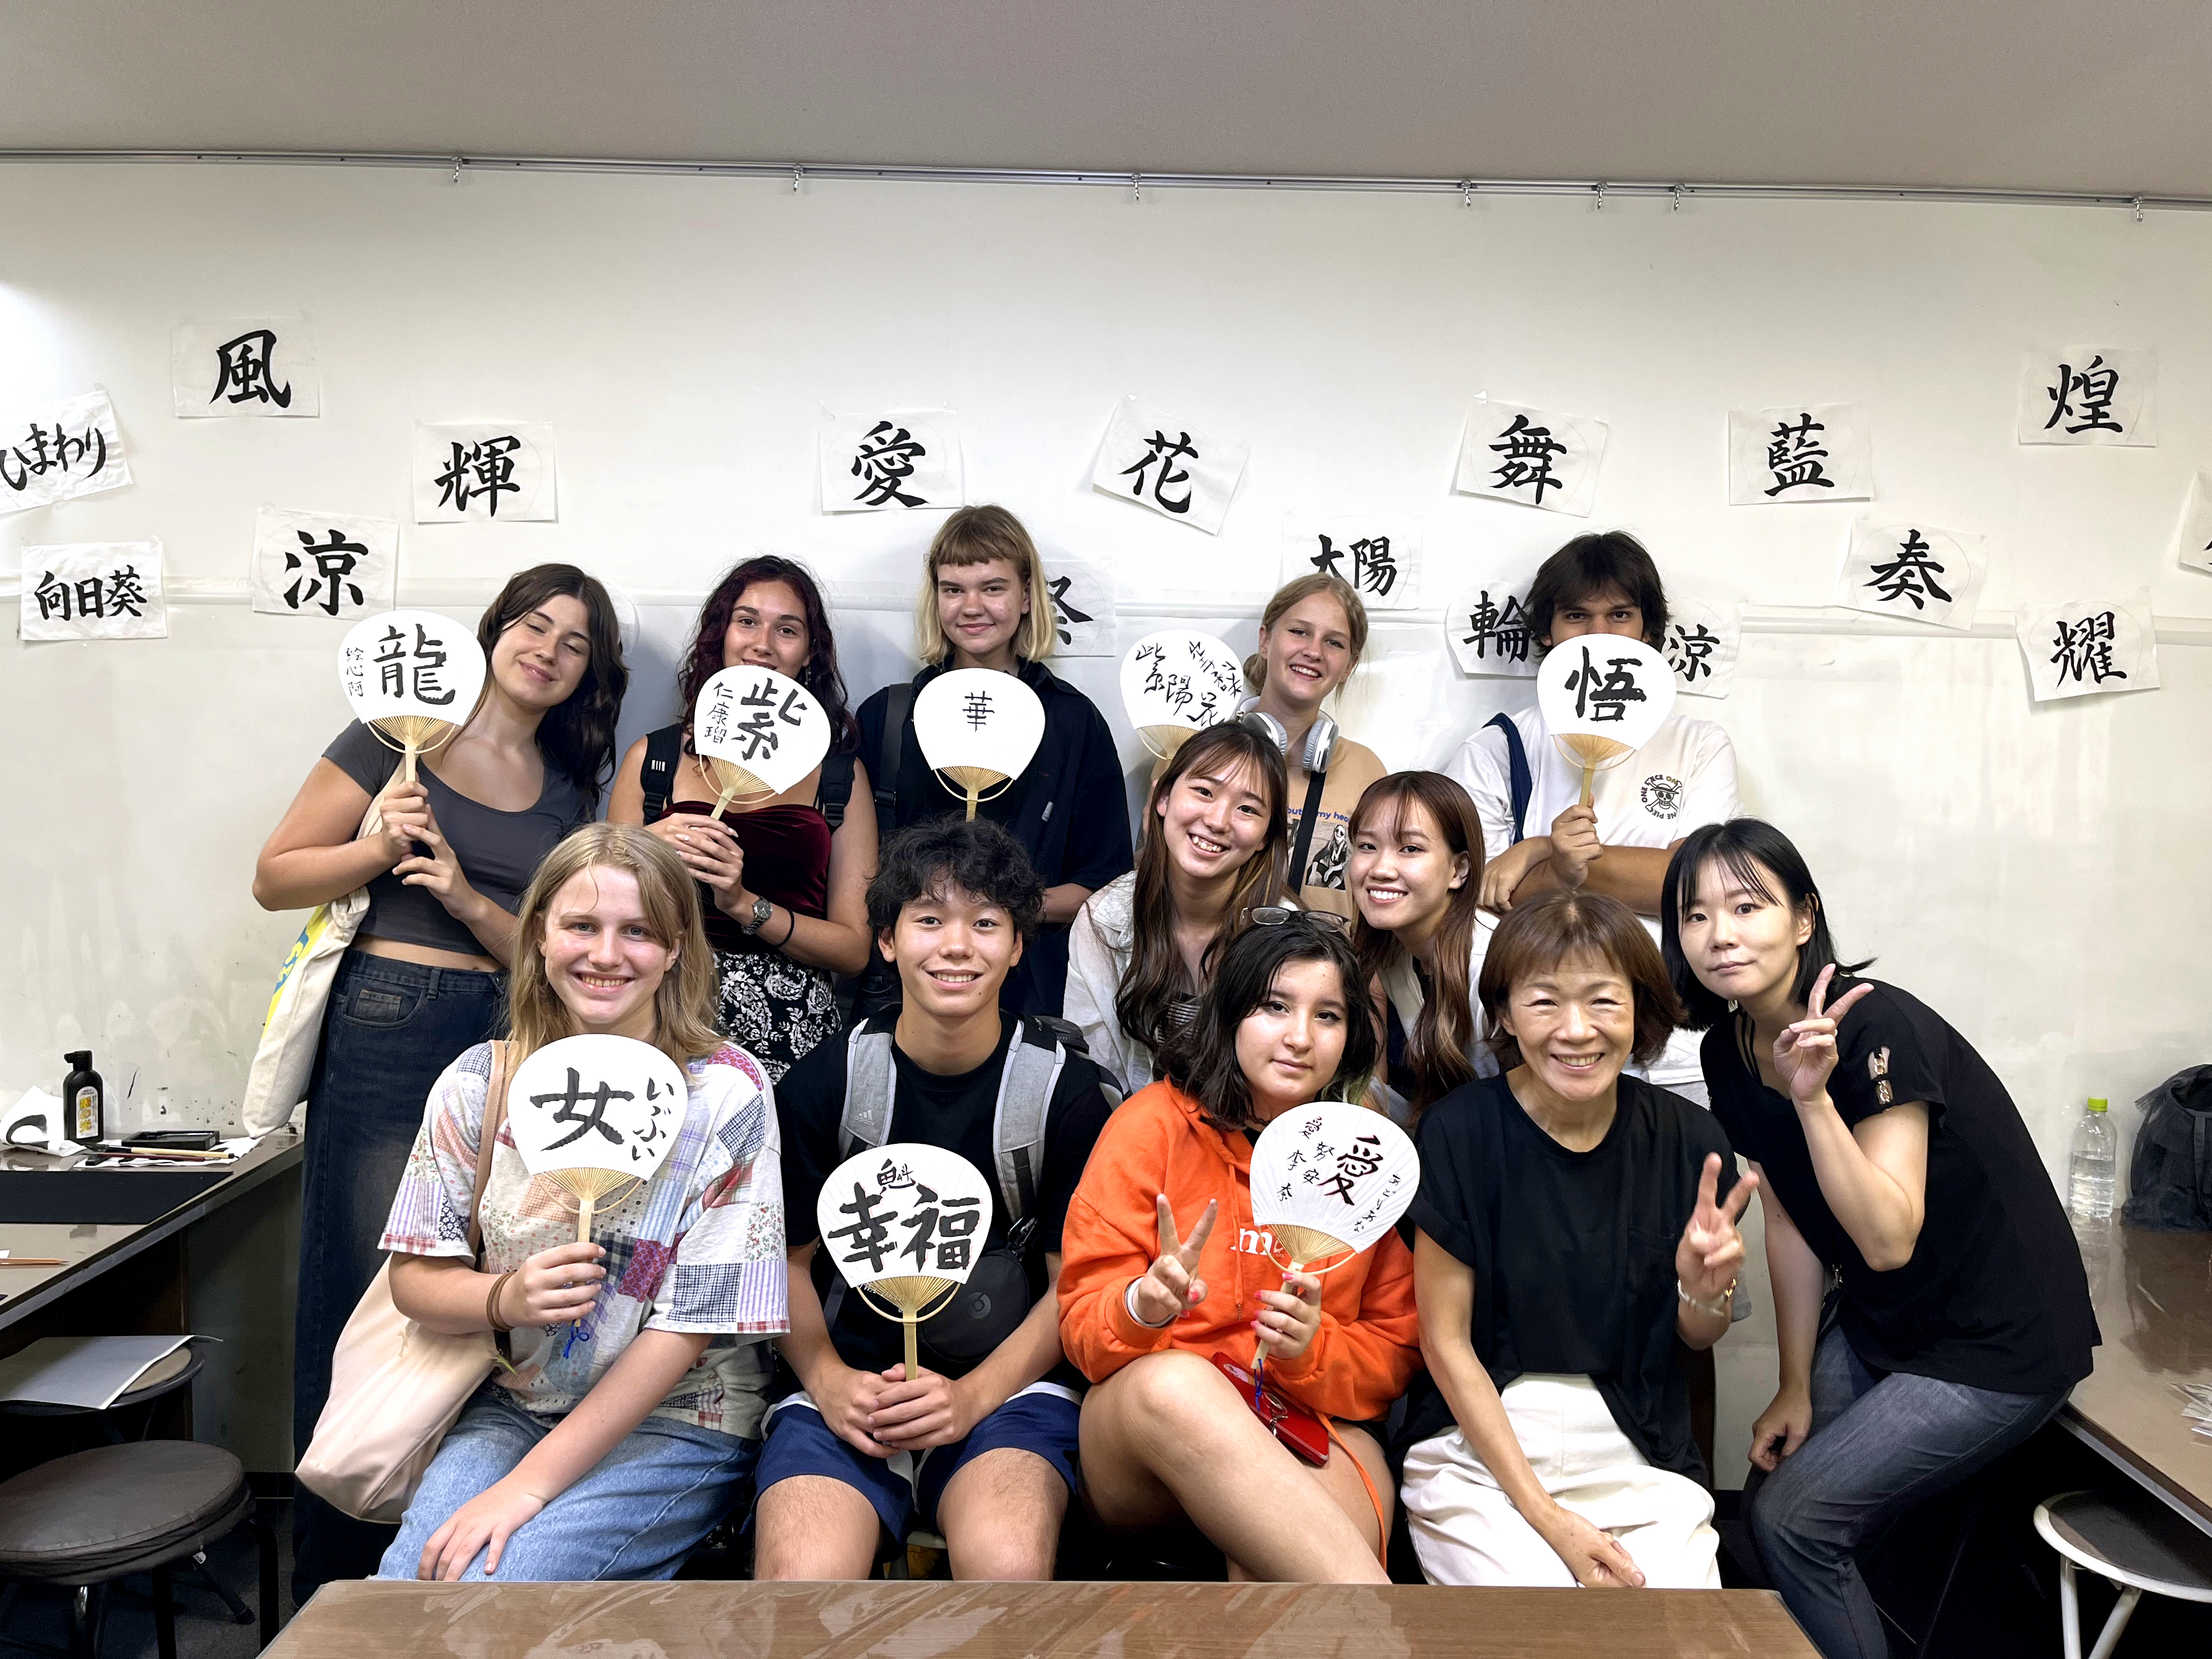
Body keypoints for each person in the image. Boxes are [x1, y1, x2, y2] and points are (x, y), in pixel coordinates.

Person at [252, 564, 627, 1595]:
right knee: (366, 1293)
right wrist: (381, 843)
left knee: (476, 1306)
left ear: (589, 672)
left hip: (509, 1035)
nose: (546, 650)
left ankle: (426, 1557)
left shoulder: (567, 784)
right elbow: (274, 872)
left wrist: (465, 894)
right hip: (388, 1020)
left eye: (574, 642)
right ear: (495, 630)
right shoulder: (394, 731)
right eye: (532, 625)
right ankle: (327, 1581)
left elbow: (549, 954)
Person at [1662, 819, 2098, 1659]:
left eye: (1747, 906)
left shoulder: (1872, 1026)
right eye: (1696, 915)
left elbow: (1888, 1236)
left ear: (1802, 918)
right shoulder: (1726, 1048)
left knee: (1794, 1525)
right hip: (1886, 1323)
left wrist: (1813, 1097)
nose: (1720, 935)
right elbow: (1790, 1216)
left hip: (1997, 1342)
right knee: (1767, 1493)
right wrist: (1793, 1384)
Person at [373, 825, 786, 1582]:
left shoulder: (727, 1093)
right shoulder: (479, 1083)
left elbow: (687, 1331)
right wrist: (507, 1297)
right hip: (513, 1404)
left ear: (677, 951)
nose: (605, 955)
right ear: (537, 938)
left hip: (680, 1416)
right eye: (580, 927)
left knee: (510, 1580)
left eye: (638, 932)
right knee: (413, 1585)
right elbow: (415, 1285)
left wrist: (528, 1490)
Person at [756, 819, 1115, 1580]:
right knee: (801, 1586)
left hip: (1010, 1389)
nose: (957, 947)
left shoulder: (1067, 1095)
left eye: (986, 923)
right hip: (847, 1389)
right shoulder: (829, 1084)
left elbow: (1073, 1285)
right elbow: (784, 1263)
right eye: (929, 920)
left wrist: (973, 1398)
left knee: (1006, 1565)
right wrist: (827, 1380)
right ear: (886, 940)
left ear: (1019, 945)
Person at [1400, 889, 1752, 1590]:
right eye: (1544, 1002)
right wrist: (1545, 1518)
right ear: (1502, 1012)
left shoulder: (1689, 1142)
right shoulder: (1458, 1133)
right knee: (1536, 1628)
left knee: (1670, 1636)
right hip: (1483, 1450)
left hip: (1636, 1452)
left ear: (1640, 1011)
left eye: (1603, 1001)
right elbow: (1445, 1341)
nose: (1577, 1030)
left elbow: (1698, 1337)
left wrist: (1705, 1293)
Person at [1059, 915, 1418, 1584]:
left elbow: (1394, 1353)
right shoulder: (1151, 1126)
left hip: (1302, 1422)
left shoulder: (1362, 1154)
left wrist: (1311, 1349)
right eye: (1274, 1007)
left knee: (1289, 1553)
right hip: (1147, 1447)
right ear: (1227, 1014)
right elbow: (1081, 1331)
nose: (1300, 1037)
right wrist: (1144, 1307)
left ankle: (1376, 1623)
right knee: (1178, 1384)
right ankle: (1396, 1629)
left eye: (1330, 1016)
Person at [1443, 531, 1736, 1105]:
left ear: (1649, 631)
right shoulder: (1498, 748)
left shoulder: (1698, 744)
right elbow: (1478, 892)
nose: (1599, 636)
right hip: (1538, 1049)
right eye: (1577, 615)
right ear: (1547, 631)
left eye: (1620, 615)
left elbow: (1696, 886)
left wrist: (1538, 855)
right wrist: (1552, 866)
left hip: (1680, 1048)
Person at [853, 505, 1132, 1017]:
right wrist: (933, 920)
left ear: (1027, 596)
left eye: (993, 587)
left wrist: (999, 912)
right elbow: (853, 872)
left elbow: (1107, 881)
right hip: (902, 994)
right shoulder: (888, 717)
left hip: (1032, 994)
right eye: (953, 589)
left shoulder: (1072, 722)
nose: (972, 607)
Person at [610, 555, 877, 1080]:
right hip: (659, 1015)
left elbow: (854, 950)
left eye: (788, 629)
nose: (763, 644)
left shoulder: (839, 778)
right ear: (721, 637)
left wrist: (745, 905)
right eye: (747, 621)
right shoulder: (655, 759)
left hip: (790, 1029)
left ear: (809, 654)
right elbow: (602, 906)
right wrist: (645, 849)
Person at [1064, 720, 1290, 1096]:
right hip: (1133, 1137)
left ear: (1267, 837)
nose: (1218, 821)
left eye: (1248, 809)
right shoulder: (1104, 918)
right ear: (1162, 799)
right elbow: (1095, 1073)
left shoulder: (1286, 937)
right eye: (1204, 791)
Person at [1345, 771, 1498, 1123]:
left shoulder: (1490, 966)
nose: (1381, 869)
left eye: (1410, 849)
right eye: (1367, 846)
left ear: (1458, 870)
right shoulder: (1390, 949)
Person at [1238, 574, 1389, 918]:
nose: (1314, 651)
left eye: (1334, 643)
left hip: (1331, 966)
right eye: (1299, 631)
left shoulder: (1366, 770)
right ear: (1265, 640)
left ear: (1350, 666)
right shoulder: (1197, 755)